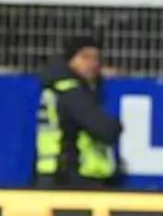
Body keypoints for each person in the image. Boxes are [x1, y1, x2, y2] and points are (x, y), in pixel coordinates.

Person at [34, 35, 122, 188]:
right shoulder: (70, 91)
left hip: (55, 173)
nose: (92, 63)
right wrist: (116, 125)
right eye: (85, 57)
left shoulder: (58, 87)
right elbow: (104, 129)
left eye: (96, 58)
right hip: (67, 175)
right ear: (70, 60)